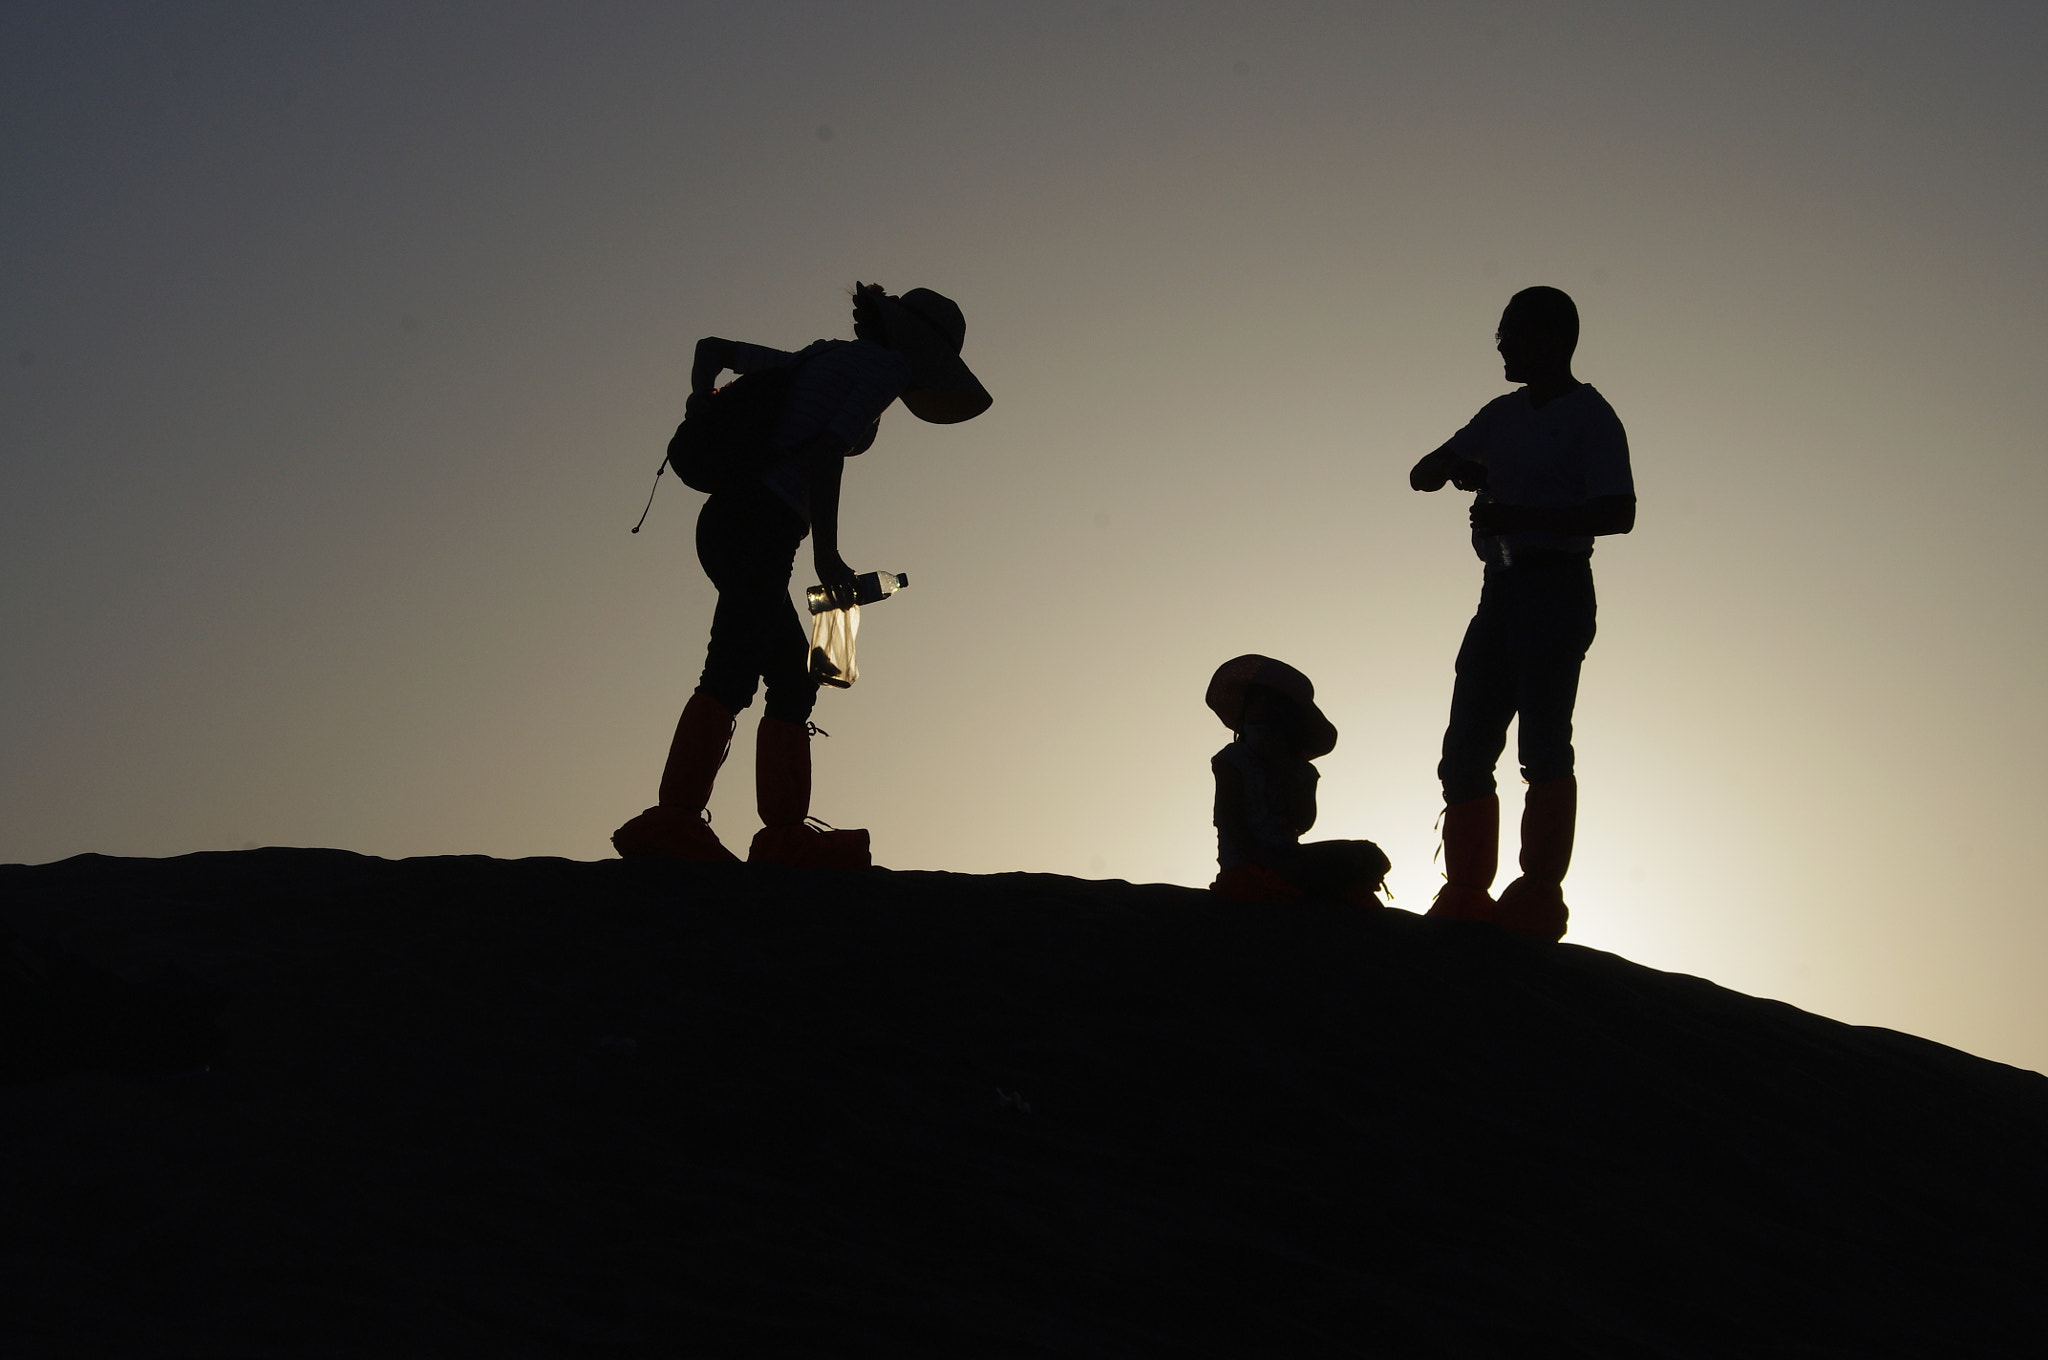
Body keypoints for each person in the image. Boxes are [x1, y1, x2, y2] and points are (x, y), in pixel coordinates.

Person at [613, 284, 992, 868]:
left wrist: (699, 401)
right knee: (768, 673)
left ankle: (700, 823)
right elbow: (828, 452)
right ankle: (740, 832)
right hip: (759, 527)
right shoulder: (887, 367)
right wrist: (829, 556)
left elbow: (711, 348)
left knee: (755, 672)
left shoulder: (823, 354)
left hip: (732, 524)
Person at [1408, 286, 1635, 941]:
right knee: (1466, 749)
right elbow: (1424, 471)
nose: (1502, 346)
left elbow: (1617, 513)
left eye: (1512, 333)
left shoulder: (1591, 417)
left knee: (1542, 746)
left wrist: (1523, 510)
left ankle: (1536, 897)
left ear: (1552, 339)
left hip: (1557, 586)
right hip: (1500, 590)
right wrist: (1461, 467)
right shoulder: (1500, 416)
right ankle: (1467, 893)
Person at [1205, 654, 1390, 906]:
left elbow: (1303, 821)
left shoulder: (1301, 770)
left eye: (1273, 711)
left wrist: (1287, 772)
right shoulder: (1232, 760)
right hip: (1245, 862)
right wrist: (1269, 862)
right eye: (1257, 708)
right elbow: (1230, 823)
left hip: (1290, 857)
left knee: (1366, 855)